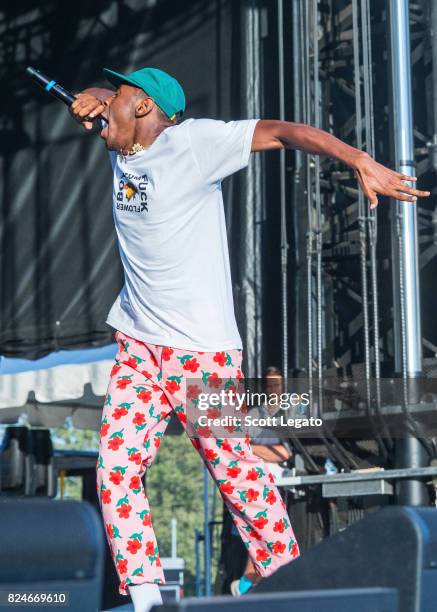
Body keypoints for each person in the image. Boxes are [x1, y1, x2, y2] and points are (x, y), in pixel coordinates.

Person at [68, 66, 430, 612]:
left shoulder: (195, 144)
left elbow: (284, 131)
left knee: (237, 475)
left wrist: (358, 160)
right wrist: (95, 97)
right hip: (138, 344)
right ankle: (144, 596)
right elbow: (102, 102)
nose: (103, 114)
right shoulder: (123, 141)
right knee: (115, 470)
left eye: (117, 99)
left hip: (202, 353)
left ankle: (288, 583)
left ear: (143, 108)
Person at [230, 366, 292, 597]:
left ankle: (251, 582)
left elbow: (284, 454)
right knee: (254, 530)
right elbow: (238, 448)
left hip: (283, 484)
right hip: (254, 481)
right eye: (270, 386)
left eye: (277, 385)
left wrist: (253, 450)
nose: (273, 390)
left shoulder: (292, 412)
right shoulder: (254, 415)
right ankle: (248, 583)